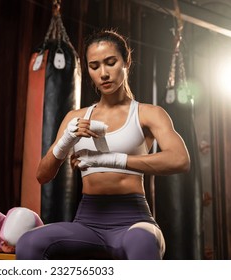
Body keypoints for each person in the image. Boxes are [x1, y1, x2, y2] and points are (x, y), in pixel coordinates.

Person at [15, 29, 190, 260]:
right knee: (29, 242)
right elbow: (42, 175)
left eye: (111, 62)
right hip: (87, 223)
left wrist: (114, 160)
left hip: (134, 221)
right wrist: (65, 141)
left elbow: (180, 159)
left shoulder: (148, 114)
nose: (104, 74)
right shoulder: (75, 118)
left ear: (126, 61)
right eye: (94, 66)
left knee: (142, 241)